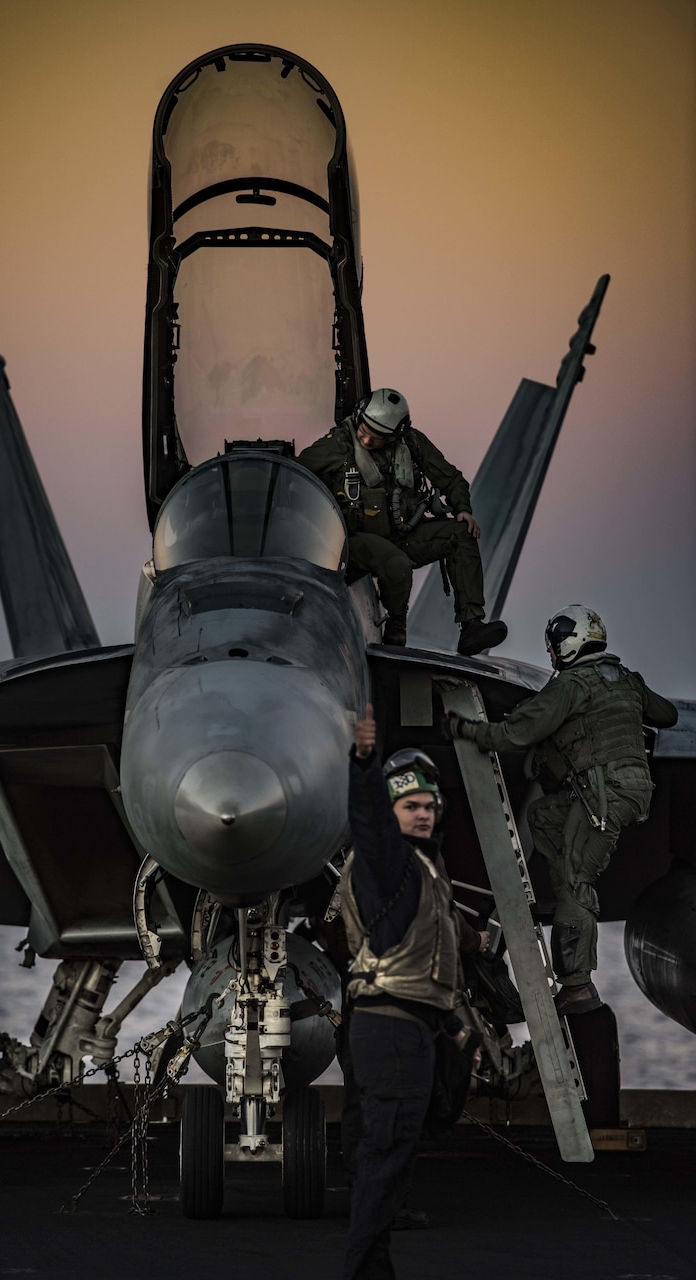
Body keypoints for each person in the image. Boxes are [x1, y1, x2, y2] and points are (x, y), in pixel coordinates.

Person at [444, 604, 679, 1015]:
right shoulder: (625, 679)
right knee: (543, 818)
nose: (551, 655)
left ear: (567, 646)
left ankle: (576, 986)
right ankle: (568, 888)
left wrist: (466, 730)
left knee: (574, 882)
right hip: (633, 792)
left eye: (553, 646)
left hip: (605, 796)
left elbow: (519, 732)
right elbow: (668, 714)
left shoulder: (571, 685)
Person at [340, 704, 476, 1278]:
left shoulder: (426, 870)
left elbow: (426, 961)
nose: (422, 815)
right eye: (410, 806)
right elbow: (370, 825)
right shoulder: (386, 865)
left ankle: (376, 1270)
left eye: (427, 806)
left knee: (397, 1156)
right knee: (385, 1155)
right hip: (389, 1028)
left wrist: (450, 1025)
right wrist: (365, 764)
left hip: (413, 1025)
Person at [297, 387, 507, 655]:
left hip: (404, 534)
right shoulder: (337, 445)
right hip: (356, 542)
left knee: (460, 534)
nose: (366, 439)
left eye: (376, 437)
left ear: (395, 435)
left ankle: (472, 625)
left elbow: (451, 479)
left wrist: (463, 509)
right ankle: (396, 626)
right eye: (364, 430)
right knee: (395, 562)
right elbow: (298, 476)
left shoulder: (412, 444)